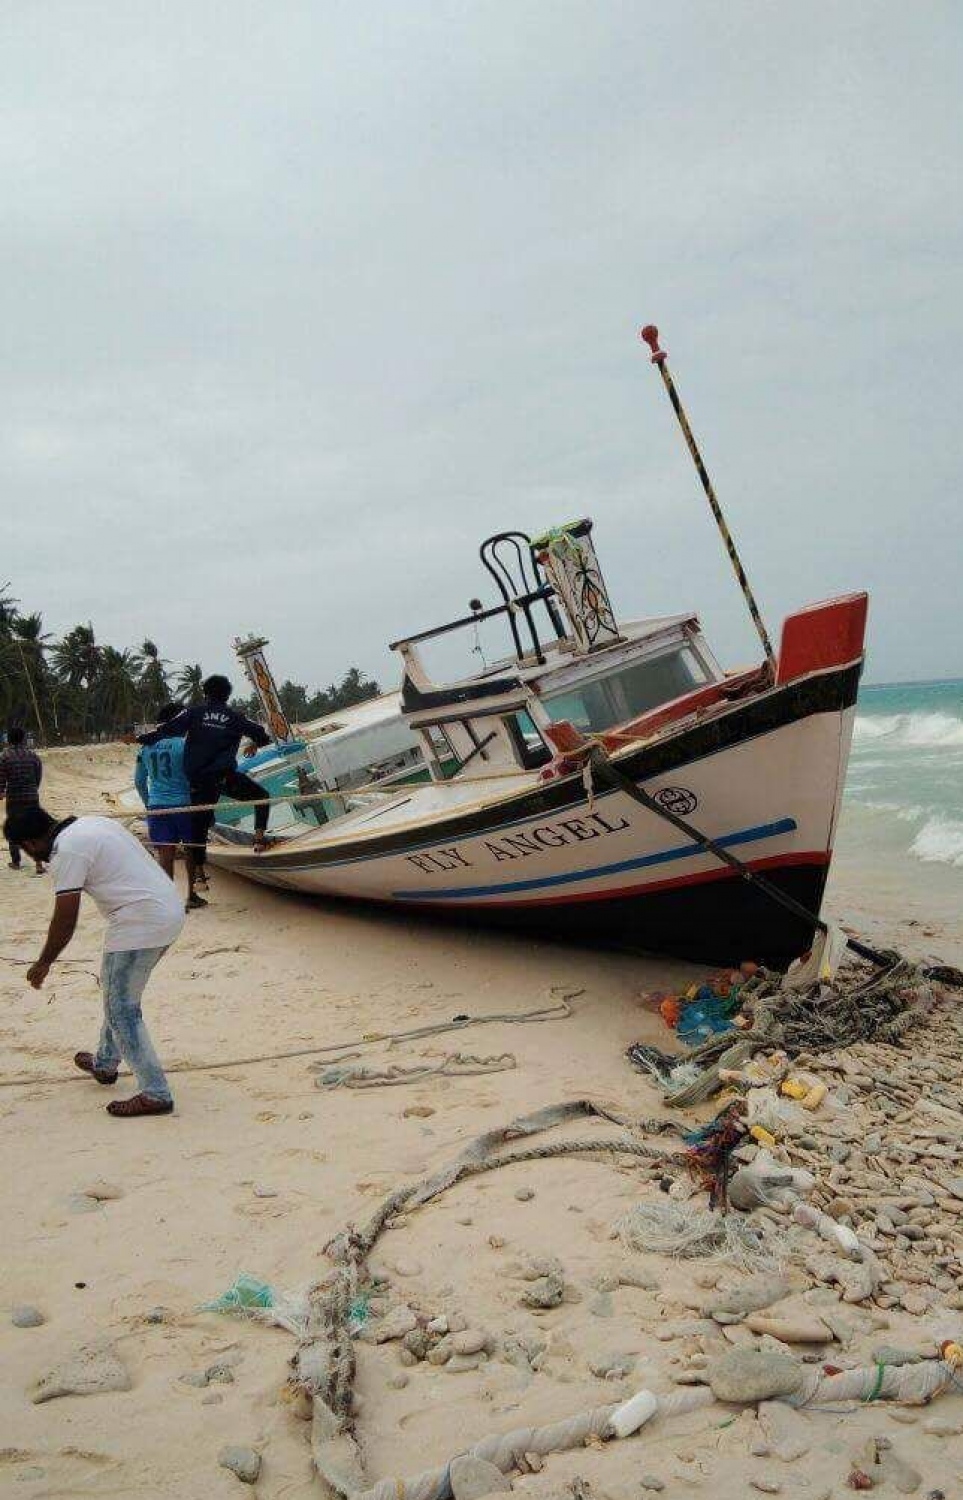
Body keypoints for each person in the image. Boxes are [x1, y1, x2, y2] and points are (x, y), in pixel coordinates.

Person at [4, 803, 185, 1117]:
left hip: (140, 922)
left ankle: (155, 1093)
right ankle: (105, 1063)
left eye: (28, 850)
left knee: (122, 1008)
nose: (35, 857)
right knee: (118, 994)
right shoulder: (90, 823)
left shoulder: (67, 852)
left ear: (30, 844)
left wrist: (43, 962)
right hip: (165, 909)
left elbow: (65, 918)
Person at [132, 675, 271, 876]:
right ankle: (258, 841)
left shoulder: (194, 714)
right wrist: (254, 745)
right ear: (227, 695)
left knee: (199, 826)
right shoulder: (235, 717)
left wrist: (139, 739)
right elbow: (262, 735)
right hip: (223, 778)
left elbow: (165, 731)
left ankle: (199, 875)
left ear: (205, 694)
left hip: (191, 786)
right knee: (261, 796)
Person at [134, 701, 205, 911]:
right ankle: (191, 895)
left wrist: (149, 805)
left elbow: (139, 781)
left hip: (157, 806)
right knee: (191, 849)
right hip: (184, 804)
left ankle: (169, 902)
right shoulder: (184, 745)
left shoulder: (145, 747)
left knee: (165, 853)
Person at [0, 726, 45, 874]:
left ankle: (16, 861)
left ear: (9, 740)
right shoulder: (32, 755)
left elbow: (1, 778)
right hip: (31, 797)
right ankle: (39, 863)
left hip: (14, 798)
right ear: (23, 739)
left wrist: (1, 792)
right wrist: (33, 789)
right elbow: (38, 775)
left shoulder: (4, 756)